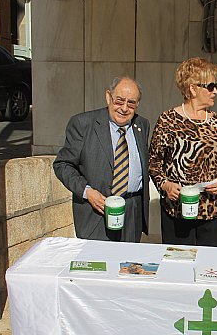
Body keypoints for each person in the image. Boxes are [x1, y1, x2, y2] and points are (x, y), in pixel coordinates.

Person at [149, 57, 217, 247]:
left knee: (211, 267)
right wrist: (165, 185)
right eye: (211, 86)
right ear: (192, 88)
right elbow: (154, 163)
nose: (216, 91)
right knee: (178, 267)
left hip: (213, 211)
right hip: (177, 211)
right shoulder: (167, 121)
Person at [53, 76, 150, 242]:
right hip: (96, 212)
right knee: (99, 265)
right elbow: (63, 165)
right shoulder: (83, 124)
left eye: (131, 103)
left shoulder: (142, 125)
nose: (124, 108)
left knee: (127, 265)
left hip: (131, 213)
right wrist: (87, 192)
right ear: (108, 97)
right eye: (119, 101)